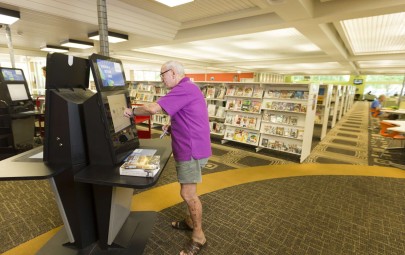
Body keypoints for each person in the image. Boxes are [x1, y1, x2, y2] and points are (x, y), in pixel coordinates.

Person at [124, 60, 211, 255]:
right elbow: (191, 116)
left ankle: (199, 236)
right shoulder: (189, 88)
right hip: (193, 145)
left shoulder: (183, 88)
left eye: (162, 74)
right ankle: (190, 222)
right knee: (188, 191)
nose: (161, 78)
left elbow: (153, 109)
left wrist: (131, 112)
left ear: (173, 72)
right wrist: (173, 127)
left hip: (191, 150)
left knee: (188, 193)